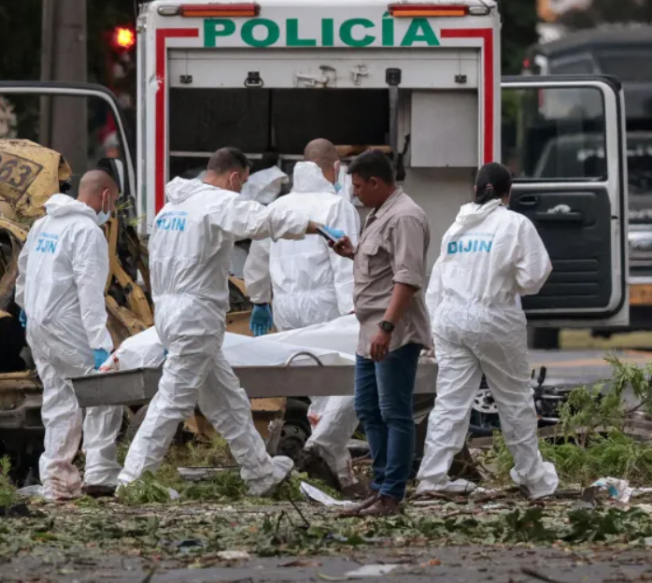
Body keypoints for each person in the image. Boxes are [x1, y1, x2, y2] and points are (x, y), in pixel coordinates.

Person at [119, 147, 324, 496]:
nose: (240, 190)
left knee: (229, 401)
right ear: (233, 177)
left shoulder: (172, 208)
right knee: (172, 400)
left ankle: (259, 472)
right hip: (195, 316)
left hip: (171, 312)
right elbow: (262, 221)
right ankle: (133, 480)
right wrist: (315, 226)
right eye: (242, 183)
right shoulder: (216, 202)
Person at [417, 163, 559, 500]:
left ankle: (431, 477)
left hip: (450, 319)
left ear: (476, 191)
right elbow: (535, 276)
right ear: (507, 193)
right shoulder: (514, 224)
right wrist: (509, 281)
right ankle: (533, 478)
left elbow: (436, 282)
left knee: (451, 402)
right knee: (514, 400)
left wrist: (434, 331)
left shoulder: (457, 228)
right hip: (493, 317)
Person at [244, 138, 364, 495]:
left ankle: (333, 466)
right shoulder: (337, 206)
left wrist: (259, 299)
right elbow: (343, 261)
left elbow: (259, 253)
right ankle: (325, 457)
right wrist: (353, 308)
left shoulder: (279, 204)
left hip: (286, 305)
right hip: (325, 302)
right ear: (334, 168)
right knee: (340, 379)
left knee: (313, 384)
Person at [330, 150, 433, 517]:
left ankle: (393, 494)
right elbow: (383, 264)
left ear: (376, 182)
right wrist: (352, 253)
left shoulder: (405, 216)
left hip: (393, 331)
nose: (355, 194)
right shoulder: (379, 212)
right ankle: (379, 488)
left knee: (394, 412)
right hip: (369, 330)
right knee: (368, 410)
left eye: (358, 187)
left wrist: (386, 328)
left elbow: (408, 278)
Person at [16, 170, 124, 500]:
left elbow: (23, 269)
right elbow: (89, 292)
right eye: (114, 202)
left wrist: (24, 305)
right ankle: (100, 474)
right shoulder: (87, 231)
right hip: (68, 325)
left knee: (60, 400)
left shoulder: (43, 224)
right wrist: (100, 344)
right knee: (106, 390)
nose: (112, 210)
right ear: (105, 196)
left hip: (39, 324)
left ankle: (57, 481)